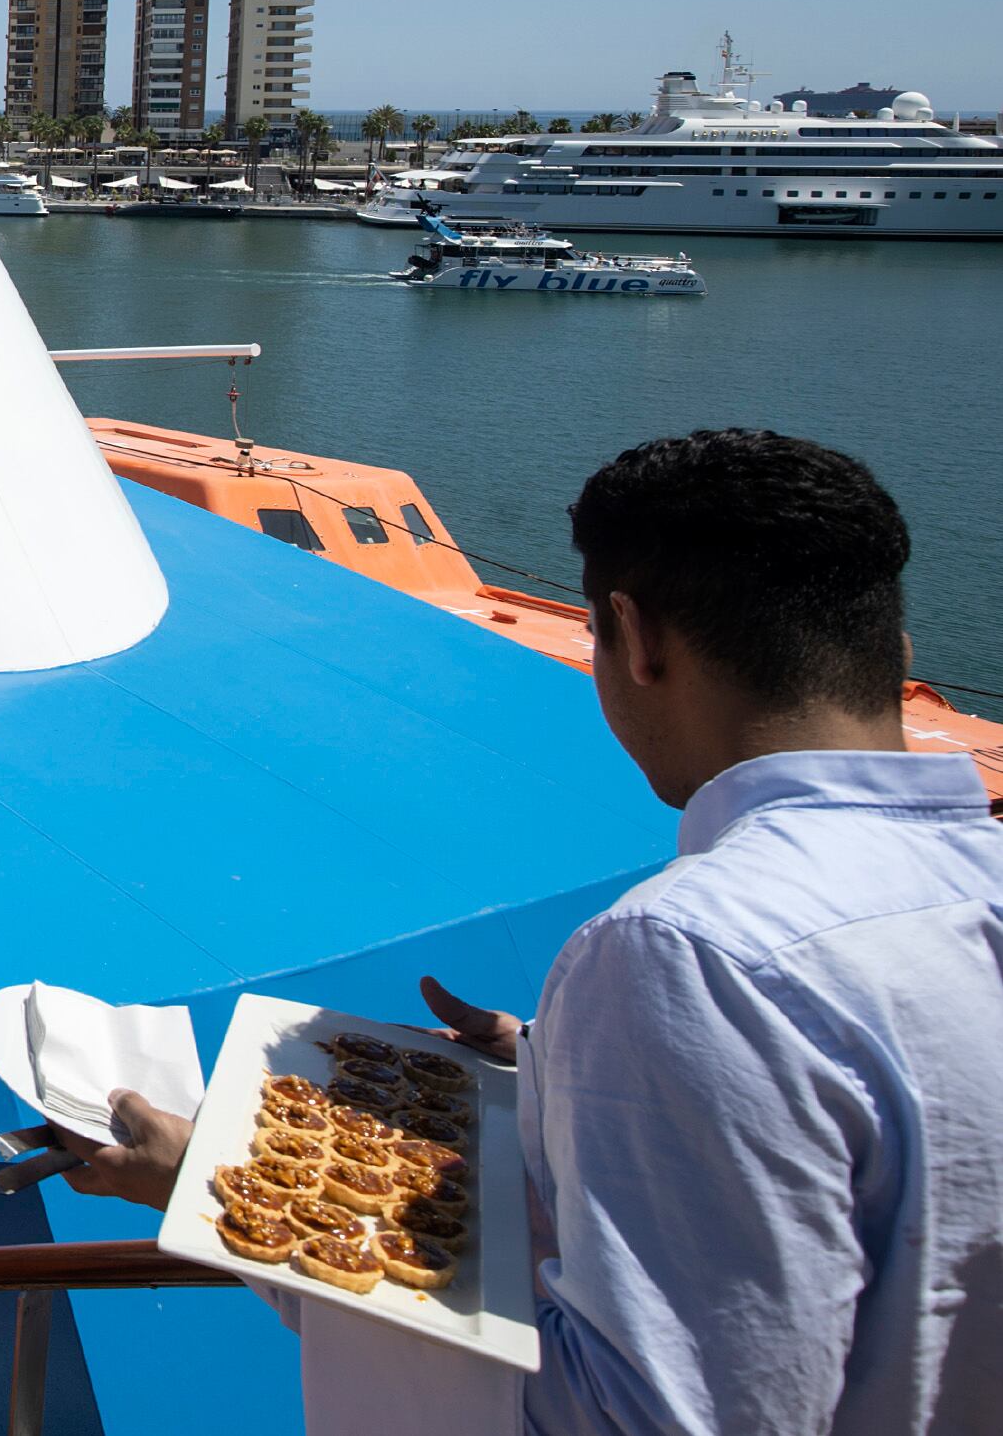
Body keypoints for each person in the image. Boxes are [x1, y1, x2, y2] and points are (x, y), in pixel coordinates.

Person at [56, 430, 1003, 1436]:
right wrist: (548, 1073)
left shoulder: (690, 955)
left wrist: (219, 1185)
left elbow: (652, 1418)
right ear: (892, 653)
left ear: (635, 639)